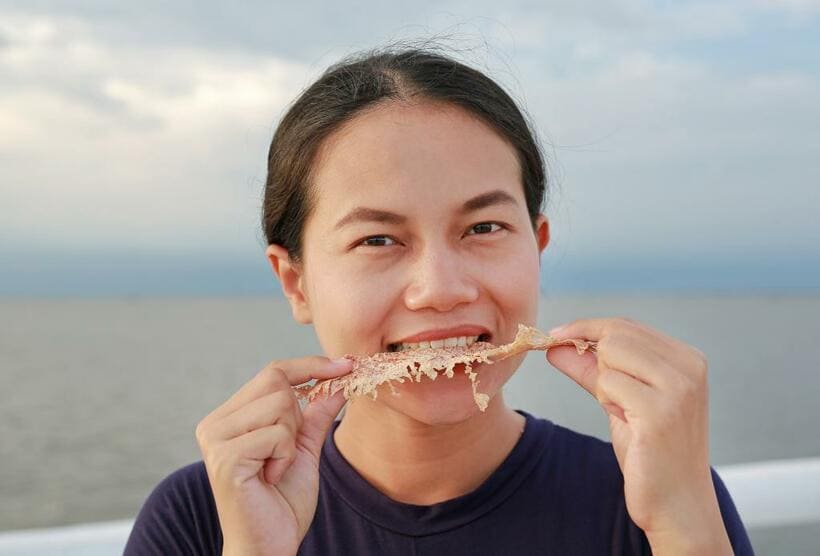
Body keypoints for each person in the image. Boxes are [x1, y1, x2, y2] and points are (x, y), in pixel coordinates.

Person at [125, 44, 754, 555]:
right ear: (296, 282)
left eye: (483, 229)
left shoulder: (659, 496)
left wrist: (684, 525)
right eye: (377, 239)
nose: (442, 289)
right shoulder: (203, 520)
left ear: (536, 247)